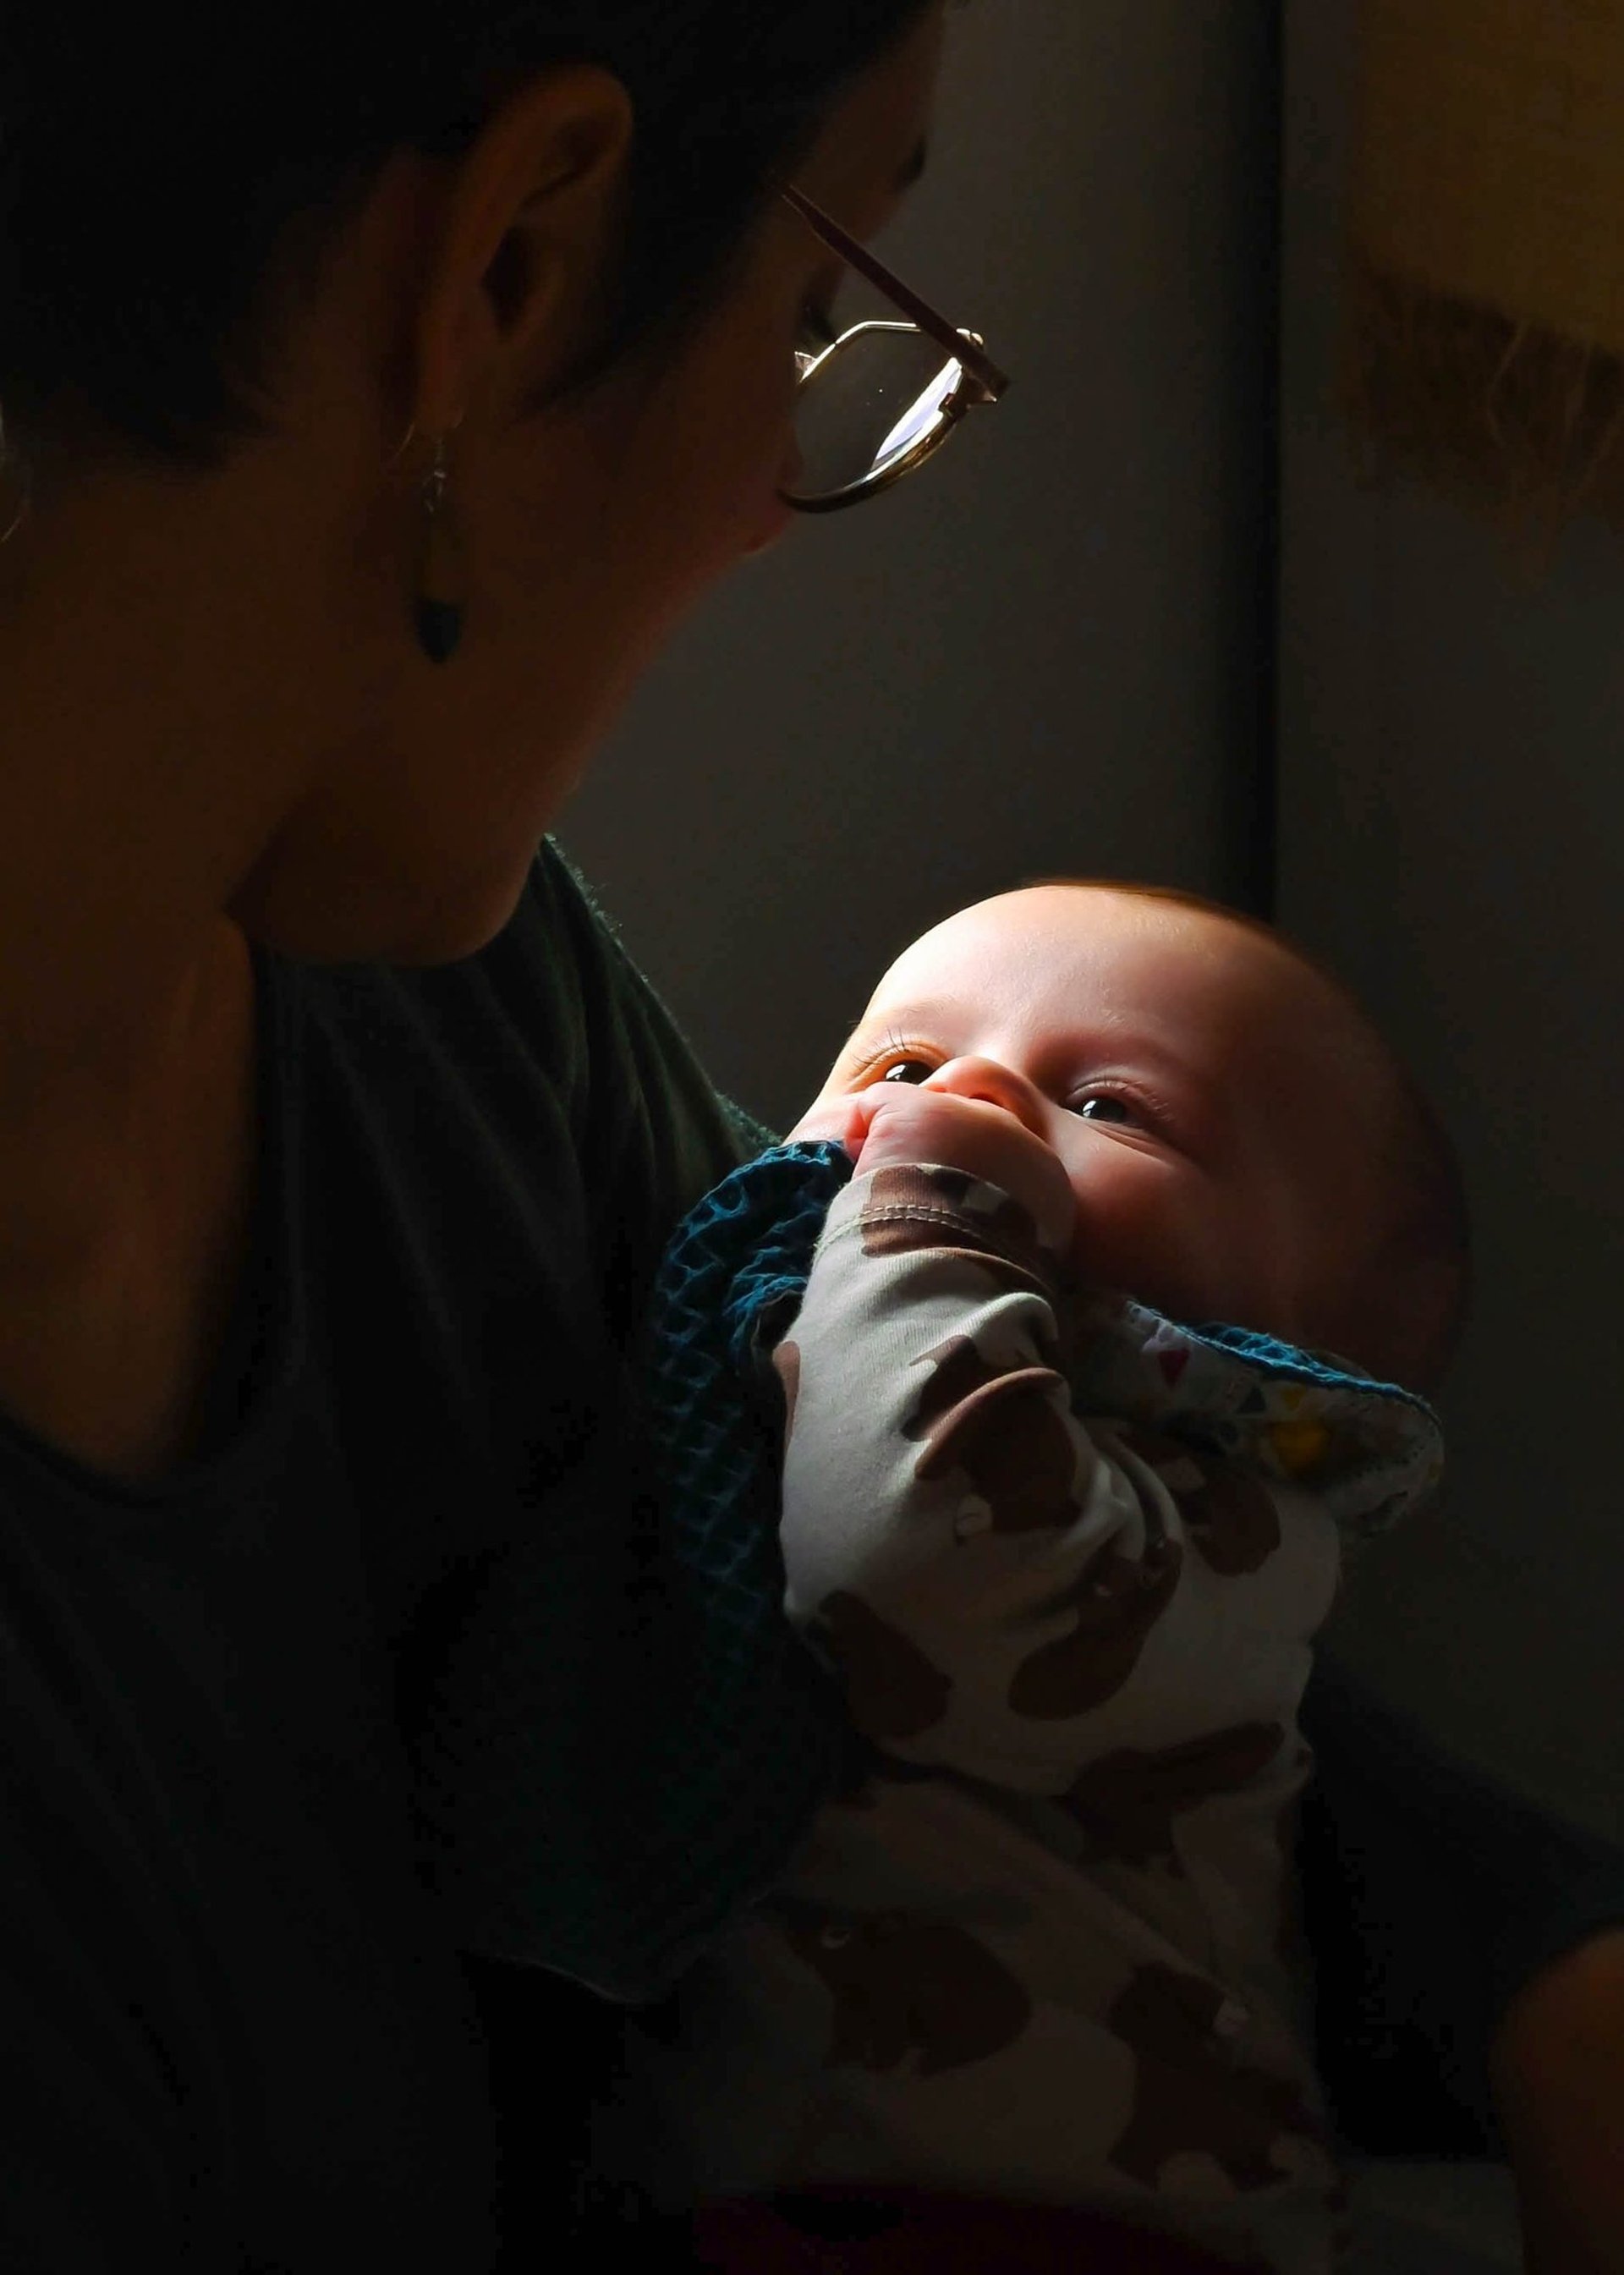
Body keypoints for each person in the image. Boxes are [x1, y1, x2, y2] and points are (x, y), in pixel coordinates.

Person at [0, 3, 1618, 2269]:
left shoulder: (419, 985)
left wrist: (1551, 1955)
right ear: (514, 266)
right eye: (814, 297)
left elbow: (975, 1574)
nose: (787, 466)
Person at [630, 881, 1457, 2273]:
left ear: (1293, 1325)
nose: (972, 1093)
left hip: (1096, 2229)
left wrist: (936, 1207)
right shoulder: (772, 1371)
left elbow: (911, 1562)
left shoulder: (1221, 1518)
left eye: (1117, 1107)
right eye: (899, 1066)